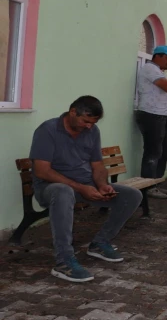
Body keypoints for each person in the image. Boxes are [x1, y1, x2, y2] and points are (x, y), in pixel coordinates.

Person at [29, 96, 143, 283]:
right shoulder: (47, 130)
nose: (89, 126)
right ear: (73, 112)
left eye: (93, 122)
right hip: (50, 188)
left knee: (132, 195)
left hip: (85, 186)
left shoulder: (92, 131)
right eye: (86, 121)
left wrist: (102, 185)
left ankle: (100, 243)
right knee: (63, 191)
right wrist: (81, 187)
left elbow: (97, 165)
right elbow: (42, 171)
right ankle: (63, 261)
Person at [135, 45, 167, 200]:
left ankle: (155, 183)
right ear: (158, 56)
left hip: (161, 115)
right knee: (153, 153)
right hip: (151, 115)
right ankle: (148, 187)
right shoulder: (150, 68)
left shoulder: (157, 71)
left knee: (166, 153)